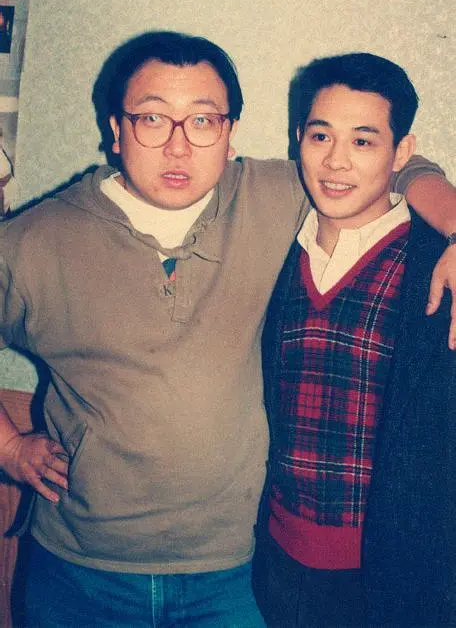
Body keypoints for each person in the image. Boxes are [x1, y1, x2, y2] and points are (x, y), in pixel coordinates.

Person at [0, 32, 454, 627]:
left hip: (236, 573)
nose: (178, 145)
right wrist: (10, 447)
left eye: (203, 121)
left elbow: (397, 162)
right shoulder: (35, 241)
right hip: (80, 571)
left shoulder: (280, 195)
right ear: (116, 130)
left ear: (230, 132)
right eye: (152, 118)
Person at [253, 52, 456, 627]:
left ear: (402, 151)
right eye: (321, 136)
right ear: (298, 139)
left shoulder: (436, 268)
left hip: (394, 575)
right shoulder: (272, 244)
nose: (336, 161)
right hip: (273, 560)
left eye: (364, 141)